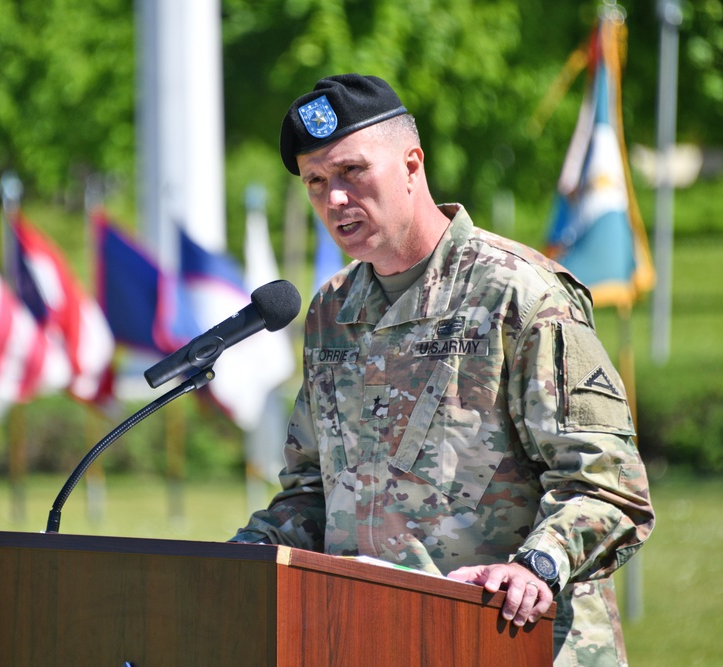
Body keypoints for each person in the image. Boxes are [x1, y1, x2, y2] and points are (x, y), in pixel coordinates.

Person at [229, 73, 655, 666]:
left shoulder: (517, 294)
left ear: (412, 164)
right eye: (316, 182)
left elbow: (609, 486)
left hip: (514, 643)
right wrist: (244, 553)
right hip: (377, 641)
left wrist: (536, 564)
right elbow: (312, 495)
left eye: (352, 171)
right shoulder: (331, 311)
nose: (335, 199)